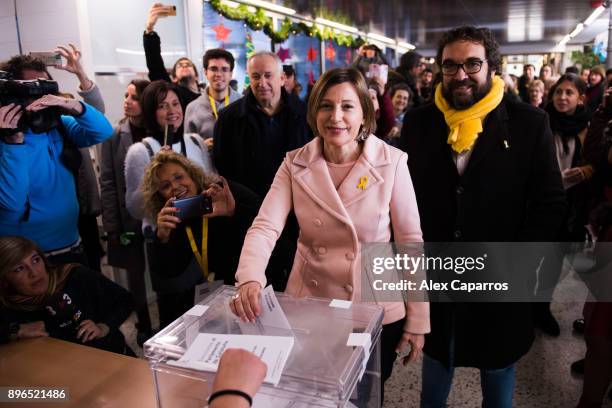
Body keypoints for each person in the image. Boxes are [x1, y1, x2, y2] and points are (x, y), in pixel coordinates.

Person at [230, 67, 430, 403]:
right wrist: (249, 277)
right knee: (315, 395)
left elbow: (410, 239)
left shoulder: (391, 161)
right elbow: (266, 226)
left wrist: (418, 318)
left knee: (365, 396)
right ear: (314, 112)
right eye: (326, 106)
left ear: (365, 113)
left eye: (347, 106)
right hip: (313, 303)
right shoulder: (295, 163)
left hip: (375, 306)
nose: (335, 116)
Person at [399, 26, 566, 408]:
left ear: (491, 66)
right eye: (450, 65)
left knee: (498, 370)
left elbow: (551, 202)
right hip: (438, 275)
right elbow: (401, 200)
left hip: (500, 279)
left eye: (472, 64)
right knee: (438, 362)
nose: (460, 75)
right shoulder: (420, 125)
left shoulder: (528, 124)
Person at [2, 48, 108, 271]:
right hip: (26, 259)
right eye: (31, 89)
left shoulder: (57, 126)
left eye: (44, 87)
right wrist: (14, 142)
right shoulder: (6, 141)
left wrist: (73, 106)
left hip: (71, 245)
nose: (39, 96)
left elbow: (102, 131)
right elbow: (12, 204)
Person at [213, 51, 311, 290]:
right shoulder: (229, 118)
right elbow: (224, 168)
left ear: (282, 78)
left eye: (268, 75)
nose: (262, 83)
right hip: (249, 217)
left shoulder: (305, 115)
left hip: (297, 219)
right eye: (255, 76)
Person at [141, 151, 259, 327]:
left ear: (193, 174)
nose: (175, 186)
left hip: (253, 289)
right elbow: (168, 278)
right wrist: (162, 238)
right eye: (165, 186)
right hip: (215, 303)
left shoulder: (224, 192)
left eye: (179, 177)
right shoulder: (175, 220)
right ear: (160, 196)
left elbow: (269, 231)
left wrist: (234, 211)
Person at [0, 236, 134, 355]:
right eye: (19, 269)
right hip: (57, 373)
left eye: (35, 260)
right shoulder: (8, 303)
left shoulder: (75, 276)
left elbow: (125, 300)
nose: (34, 273)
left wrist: (104, 326)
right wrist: (14, 331)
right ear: (4, 280)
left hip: (110, 358)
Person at [535, 74, 593, 336]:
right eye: (559, 92)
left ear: (580, 99)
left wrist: (587, 170)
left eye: (569, 93)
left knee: (553, 260)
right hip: (538, 201)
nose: (562, 97)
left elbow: (598, 162)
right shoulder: (540, 122)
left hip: (569, 205)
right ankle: (522, 308)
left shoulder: (588, 129)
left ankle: (541, 308)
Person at [100, 79, 152, 342]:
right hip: (127, 217)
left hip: (154, 217)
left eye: (134, 97)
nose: (127, 101)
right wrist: (112, 227)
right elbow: (107, 182)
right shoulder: (113, 135)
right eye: (126, 95)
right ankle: (143, 323)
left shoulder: (159, 132)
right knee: (135, 276)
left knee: (159, 272)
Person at [125, 80, 214, 225]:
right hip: (165, 234)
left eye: (175, 103)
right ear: (150, 111)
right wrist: (154, 173)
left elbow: (209, 185)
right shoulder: (140, 151)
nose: (172, 111)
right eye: (162, 106)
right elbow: (135, 209)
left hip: (202, 228)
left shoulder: (196, 141)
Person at [143, 2, 201, 103]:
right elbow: (155, 64)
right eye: (180, 66)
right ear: (174, 78)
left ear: (197, 76)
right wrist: (149, 30)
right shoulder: (173, 92)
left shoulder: (208, 97)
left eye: (188, 64)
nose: (184, 66)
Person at [184, 48, 241, 147]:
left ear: (231, 74)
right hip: (204, 162)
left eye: (224, 69)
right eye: (213, 69)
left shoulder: (243, 103)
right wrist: (201, 147)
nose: (218, 74)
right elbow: (188, 148)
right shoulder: (192, 108)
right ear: (205, 72)